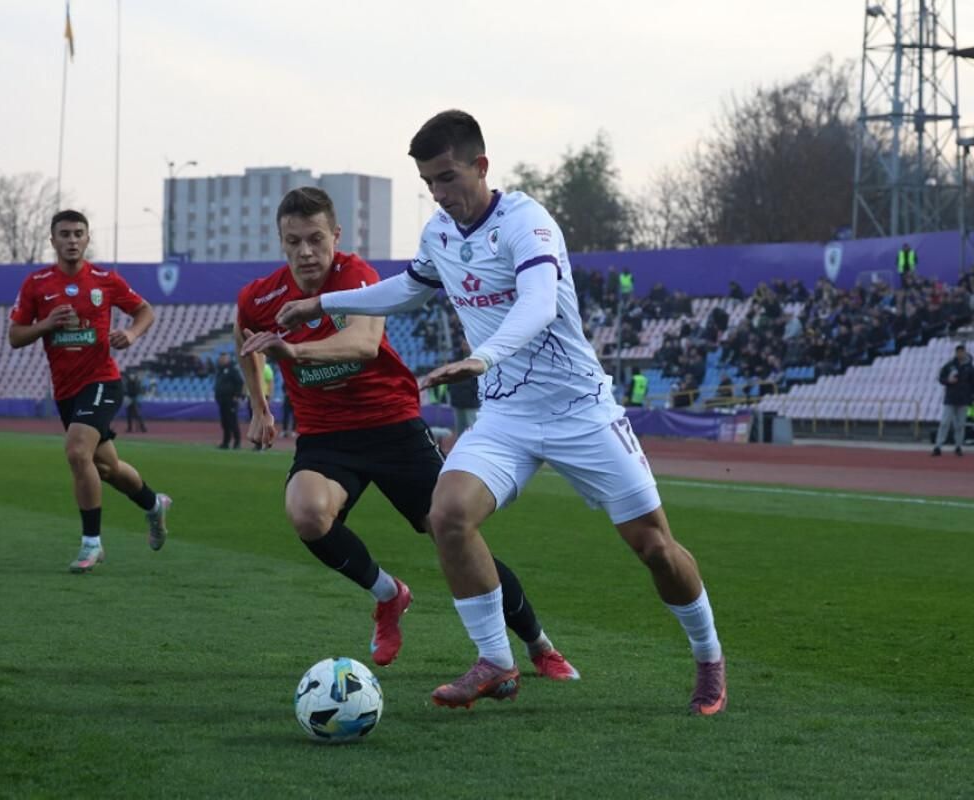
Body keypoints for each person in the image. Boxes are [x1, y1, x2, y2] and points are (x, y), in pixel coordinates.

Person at [274, 110, 725, 714]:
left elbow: (539, 304)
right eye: (428, 182)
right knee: (447, 514)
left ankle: (708, 657)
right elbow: (408, 288)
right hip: (507, 416)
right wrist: (322, 304)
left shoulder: (527, 223)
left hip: (579, 410)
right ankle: (495, 660)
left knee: (654, 546)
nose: (439, 193)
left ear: (481, 166)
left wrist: (483, 357)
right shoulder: (439, 233)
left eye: (447, 177)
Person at [237, 186, 577, 680]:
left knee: (451, 531)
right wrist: (259, 407)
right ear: (281, 242)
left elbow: (363, 342)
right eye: (294, 242)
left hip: (392, 425)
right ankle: (388, 594)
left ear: (335, 236)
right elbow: (245, 336)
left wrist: (294, 354)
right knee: (306, 513)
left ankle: (538, 643)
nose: (306, 252)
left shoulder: (354, 276)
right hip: (325, 435)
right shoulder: (260, 296)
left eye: (315, 239)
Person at [7, 209, 171, 572]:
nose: (72, 240)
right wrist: (46, 324)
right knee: (107, 468)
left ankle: (91, 544)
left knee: (77, 452)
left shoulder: (104, 280)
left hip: (102, 380)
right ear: (52, 240)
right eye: (65, 234)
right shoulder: (36, 284)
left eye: (78, 233)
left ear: (87, 239)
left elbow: (144, 310)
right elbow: (15, 336)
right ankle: (153, 504)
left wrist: (131, 333)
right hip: (66, 390)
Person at [932, 344, 974, 457]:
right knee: (945, 423)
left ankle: (958, 446)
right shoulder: (949, 365)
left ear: (965, 352)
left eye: (962, 352)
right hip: (950, 398)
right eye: (958, 352)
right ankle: (938, 446)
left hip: (964, 399)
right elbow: (941, 378)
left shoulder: (970, 368)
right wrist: (948, 381)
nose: (960, 354)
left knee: (960, 425)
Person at [214, 352, 244, 449]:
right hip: (222, 399)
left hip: (230, 399)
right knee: (224, 422)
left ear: (228, 359)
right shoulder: (219, 369)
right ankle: (226, 442)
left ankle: (237, 442)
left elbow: (240, 382)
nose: (221, 360)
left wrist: (237, 395)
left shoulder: (233, 369)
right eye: (221, 358)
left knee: (232, 421)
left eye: (224, 358)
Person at [252, 360, 275, 451]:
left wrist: (269, 396)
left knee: (262, 421)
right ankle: (259, 442)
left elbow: (270, 383)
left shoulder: (266, 368)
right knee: (256, 420)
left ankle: (264, 442)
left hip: (263, 396)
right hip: (254, 396)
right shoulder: (254, 367)